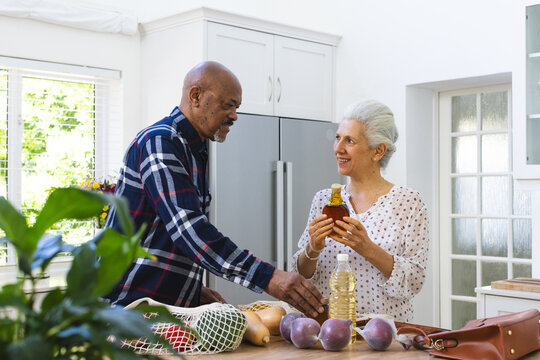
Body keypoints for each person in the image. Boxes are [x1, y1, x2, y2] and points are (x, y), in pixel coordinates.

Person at [104, 61, 323, 317]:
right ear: (195, 96)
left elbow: (164, 236)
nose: (234, 116)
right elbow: (190, 230)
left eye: (236, 107)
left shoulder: (195, 148)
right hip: (125, 311)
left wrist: (190, 289)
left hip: (158, 311)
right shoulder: (160, 142)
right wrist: (268, 277)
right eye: (227, 105)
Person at [291, 99, 429, 322]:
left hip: (386, 338)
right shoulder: (323, 200)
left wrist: (368, 248)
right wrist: (313, 248)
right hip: (328, 333)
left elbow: (414, 280)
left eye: (350, 141)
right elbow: (302, 275)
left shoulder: (409, 202)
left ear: (378, 151)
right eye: (338, 138)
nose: (338, 148)